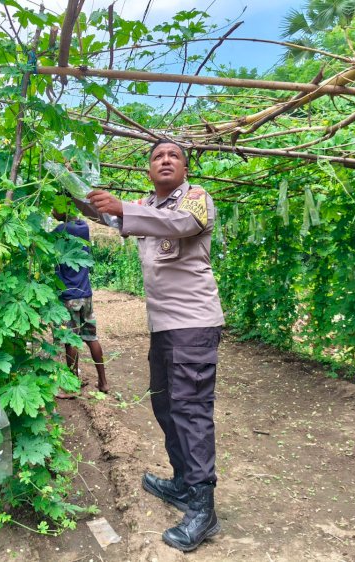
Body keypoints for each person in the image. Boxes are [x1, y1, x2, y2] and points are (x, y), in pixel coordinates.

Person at [81, 139, 224, 552]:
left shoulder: (195, 199)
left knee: (192, 410)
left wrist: (122, 207)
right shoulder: (148, 206)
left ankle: (204, 508)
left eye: (173, 156)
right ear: (148, 169)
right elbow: (115, 220)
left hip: (194, 326)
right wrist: (78, 200)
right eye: (157, 156)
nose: (165, 160)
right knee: (166, 404)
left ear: (184, 168)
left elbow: (180, 225)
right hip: (164, 328)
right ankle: (182, 483)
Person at [53, 209, 109, 394]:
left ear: (64, 207)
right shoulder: (83, 227)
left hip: (68, 296)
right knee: (91, 337)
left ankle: (72, 387)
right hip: (86, 293)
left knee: (70, 340)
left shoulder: (60, 231)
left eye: (55, 208)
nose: (53, 212)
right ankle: (103, 383)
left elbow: (40, 243)